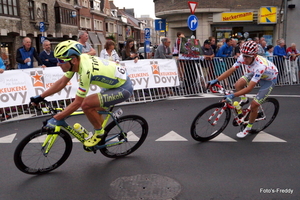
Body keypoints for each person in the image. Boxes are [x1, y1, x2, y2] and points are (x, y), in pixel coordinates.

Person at [30, 40, 133, 147]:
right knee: (95, 111)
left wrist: (56, 118)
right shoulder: (77, 61)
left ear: (73, 60)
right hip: (113, 84)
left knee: (86, 104)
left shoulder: (85, 71)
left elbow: (78, 102)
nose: (58, 63)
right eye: (57, 59)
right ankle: (100, 136)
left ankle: (99, 133)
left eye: (61, 60)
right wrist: (40, 97)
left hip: (123, 88)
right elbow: (62, 82)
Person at [208, 41, 278, 138]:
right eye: (243, 56)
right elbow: (230, 70)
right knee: (238, 84)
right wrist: (216, 80)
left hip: (269, 79)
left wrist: (232, 95)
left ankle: (248, 127)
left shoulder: (260, 66)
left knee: (254, 105)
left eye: (247, 57)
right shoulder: (243, 57)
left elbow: (249, 88)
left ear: (254, 55)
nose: (244, 59)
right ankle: (244, 99)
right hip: (254, 73)